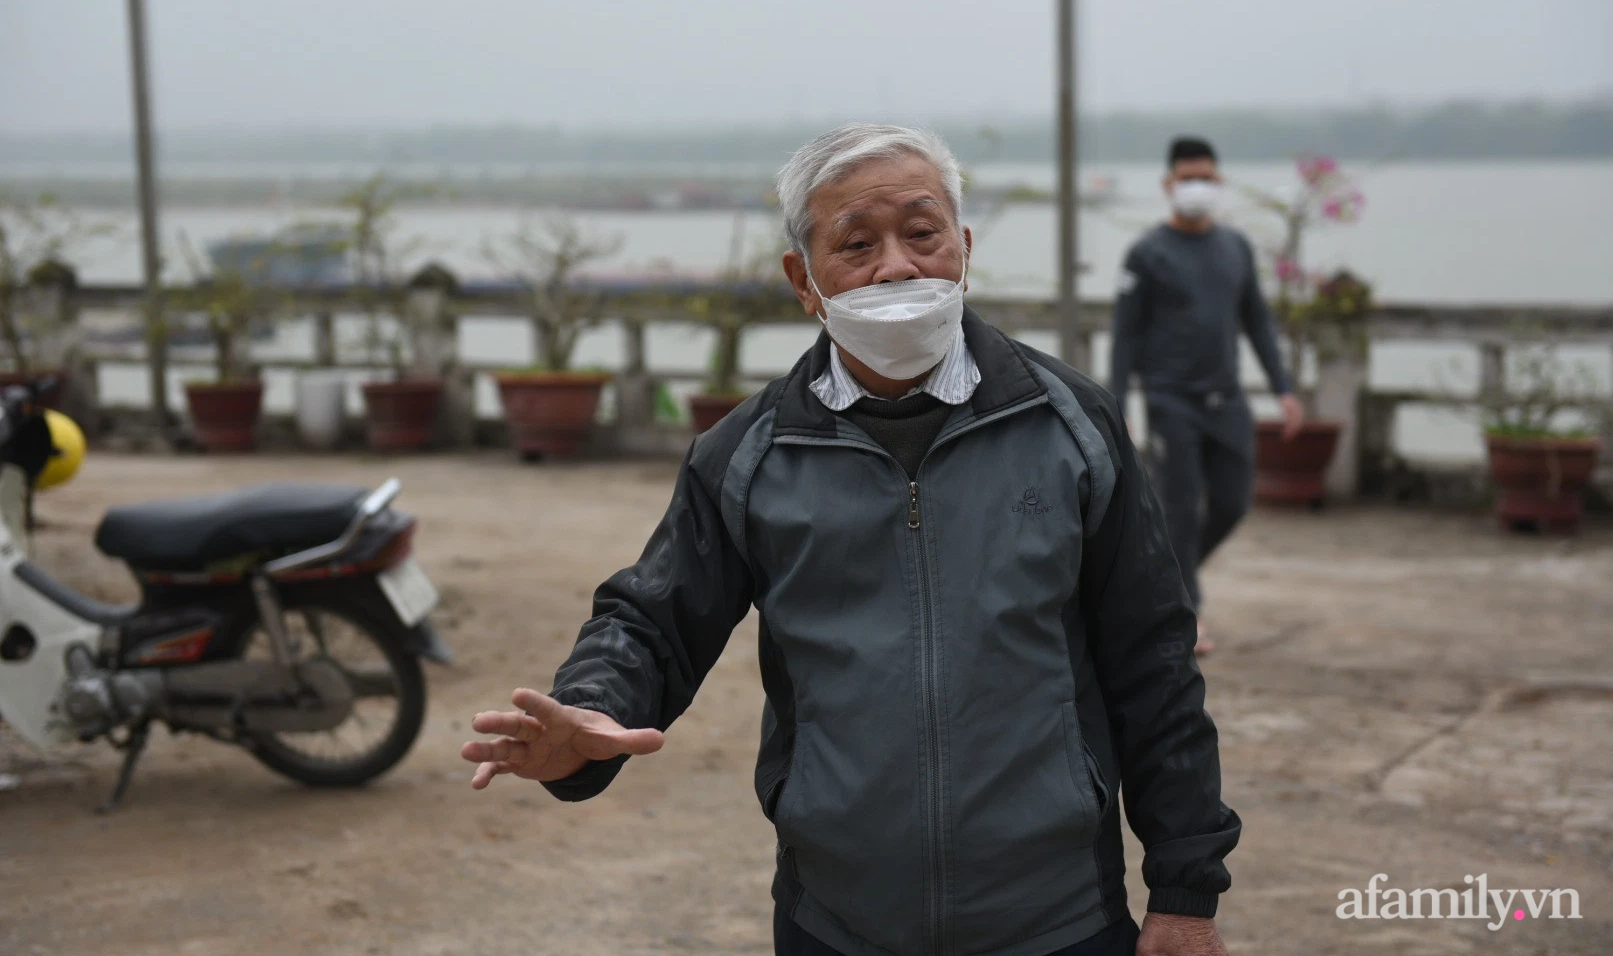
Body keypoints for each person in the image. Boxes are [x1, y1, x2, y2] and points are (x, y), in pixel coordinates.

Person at [464, 125, 1240, 956]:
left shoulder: (1069, 425)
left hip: (1058, 917)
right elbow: (652, 619)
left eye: (922, 232)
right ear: (805, 280)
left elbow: (1152, 657)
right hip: (835, 922)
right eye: (857, 244)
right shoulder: (749, 453)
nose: (898, 266)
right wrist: (590, 710)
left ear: (963, 248)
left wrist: (1185, 887)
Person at [1110, 137, 1303, 656]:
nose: (1198, 187)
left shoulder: (1234, 247)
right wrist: (1118, 405)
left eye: (1207, 179)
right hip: (1171, 399)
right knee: (1179, 507)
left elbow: (1257, 321)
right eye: (1187, 178)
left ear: (1219, 184)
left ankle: (1163, 581)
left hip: (1227, 398)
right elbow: (1125, 335)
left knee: (1234, 502)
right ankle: (1184, 616)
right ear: (1169, 185)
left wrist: (1284, 388)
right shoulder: (1148, 253)